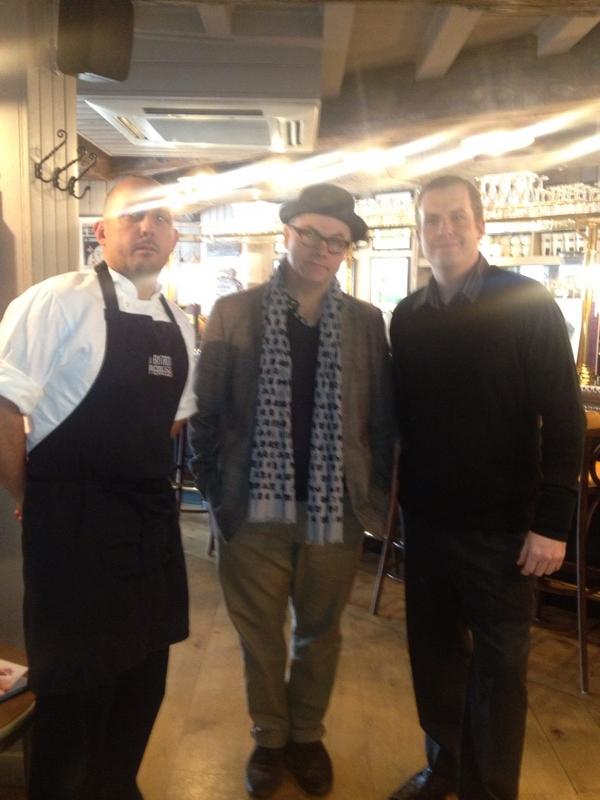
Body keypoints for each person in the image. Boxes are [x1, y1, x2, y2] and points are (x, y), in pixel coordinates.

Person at [189, 183, 394, 798]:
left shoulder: (365, 322)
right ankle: (269, 736)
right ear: (287, 234)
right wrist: (215, 490)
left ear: (347, 251)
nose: (322, 249)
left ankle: (307, 734)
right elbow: (209, 412)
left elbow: (380, 422)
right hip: (252, 507)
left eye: (336, 241)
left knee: (321, 631)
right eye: (311, 234)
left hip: (335, 508)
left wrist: (374, 494)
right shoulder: (235, 311)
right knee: (259, 633)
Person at [388, 174, 585, 800]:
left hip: (504, 531)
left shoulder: (526, 302)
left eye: (455, 217)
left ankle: (489, 791)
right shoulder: (408, 317)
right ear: (419, 235)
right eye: (432, 221)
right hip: (427, 523)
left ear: (481, 225)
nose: (444, 230)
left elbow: (565, 415)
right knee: (436, 661)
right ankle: (446, 768)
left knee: (500, 673)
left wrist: (554, 522)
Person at [0, 176, 196, 800]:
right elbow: (4, 411)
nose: (147, 229)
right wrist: (33, 497)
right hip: (73, 526)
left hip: (148, 525)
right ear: (102, 230)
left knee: (144, 680)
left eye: (160, 219)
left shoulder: (178, 323)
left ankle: (116, 786)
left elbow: (170, 421)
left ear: (175, 237)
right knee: (73, 697)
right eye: (132, 218)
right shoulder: (55, 301)